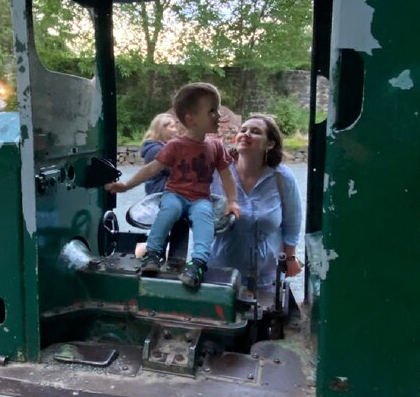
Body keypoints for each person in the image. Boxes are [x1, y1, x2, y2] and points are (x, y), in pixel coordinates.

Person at [106, 83, 241, 289]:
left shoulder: (216, 146)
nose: (219, 115)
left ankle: (197, 263)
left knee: (204, 220)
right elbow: (152, 169)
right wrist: (126, 185)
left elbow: (227, 176)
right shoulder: (175, 146)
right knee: (169, 209)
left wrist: (232, 201)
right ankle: (153, 253)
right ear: (191, 119)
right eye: (212, 110)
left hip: (200, 198)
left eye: (218, 109)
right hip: (175, 194)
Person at [211, 114, 303, 294]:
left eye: (255, 132)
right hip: (219, 272)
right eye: (243, 130)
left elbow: (292, 222)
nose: (245, 134)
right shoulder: (217, 173)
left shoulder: (281, 178)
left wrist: (290, 258)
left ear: (269, 144)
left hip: (267, 276)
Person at [140, 113, 182, 194]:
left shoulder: (160, 147)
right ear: (161, 129)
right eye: (172, 127)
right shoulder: (156, 149)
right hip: (160, 193)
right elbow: (176, 171)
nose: (175, 130)